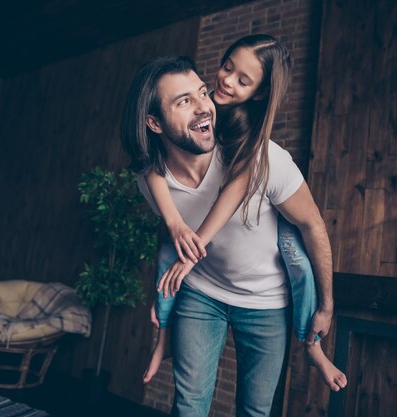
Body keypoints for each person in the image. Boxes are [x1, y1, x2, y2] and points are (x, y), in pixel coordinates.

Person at [120, 52, 337, 417]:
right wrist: (164, 315)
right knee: (188, 406)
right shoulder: (150, 181)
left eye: (202, 93)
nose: (203, 107)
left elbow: (313, 226)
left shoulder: (266, 159)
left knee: (254, 411)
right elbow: (170, 236)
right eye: (184, 101)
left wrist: (328, 304)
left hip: (268, 303)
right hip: (201, 295)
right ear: (155, 124)